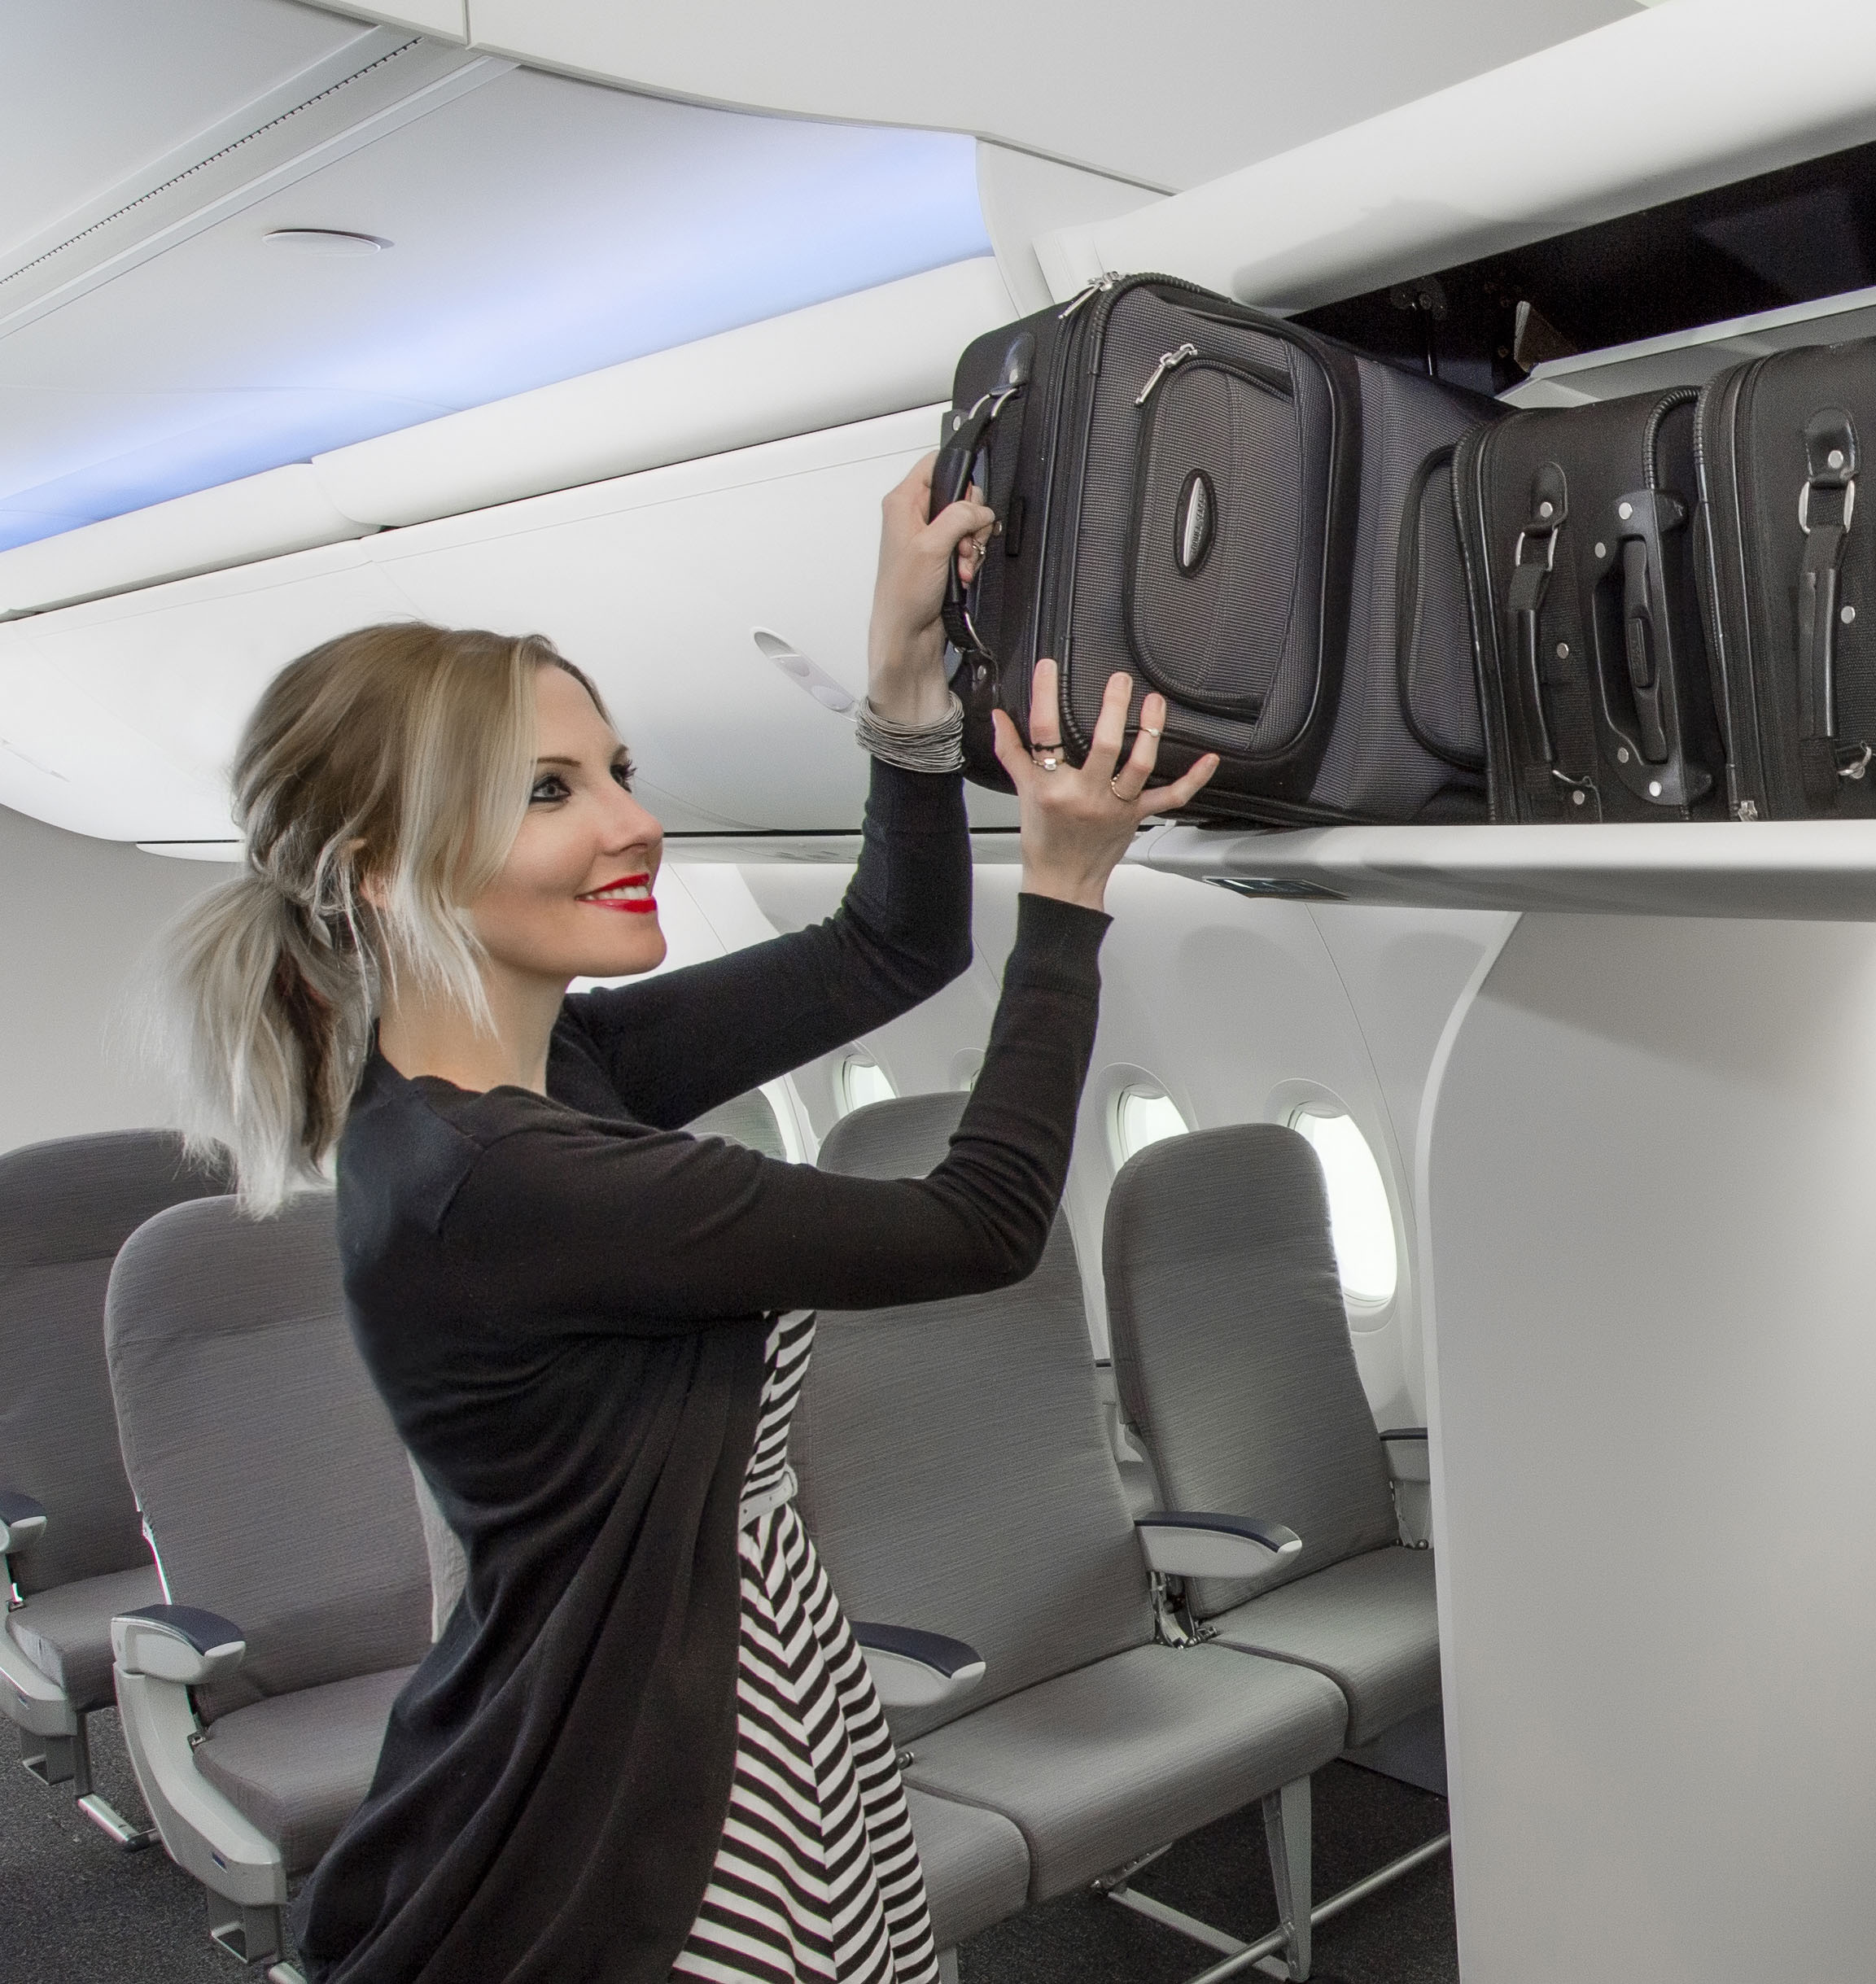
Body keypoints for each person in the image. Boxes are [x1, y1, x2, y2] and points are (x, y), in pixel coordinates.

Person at [146, 463, 1217, 1982]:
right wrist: (1069, 892)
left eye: (617, 769)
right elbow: (982, 1224)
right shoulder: (502, 1180)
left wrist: (903, 668)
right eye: (549, 790)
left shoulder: (548, 1074)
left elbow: (889, 942)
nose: (635, 823)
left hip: (758, 1683)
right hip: (658, 1775)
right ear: (378, 871)